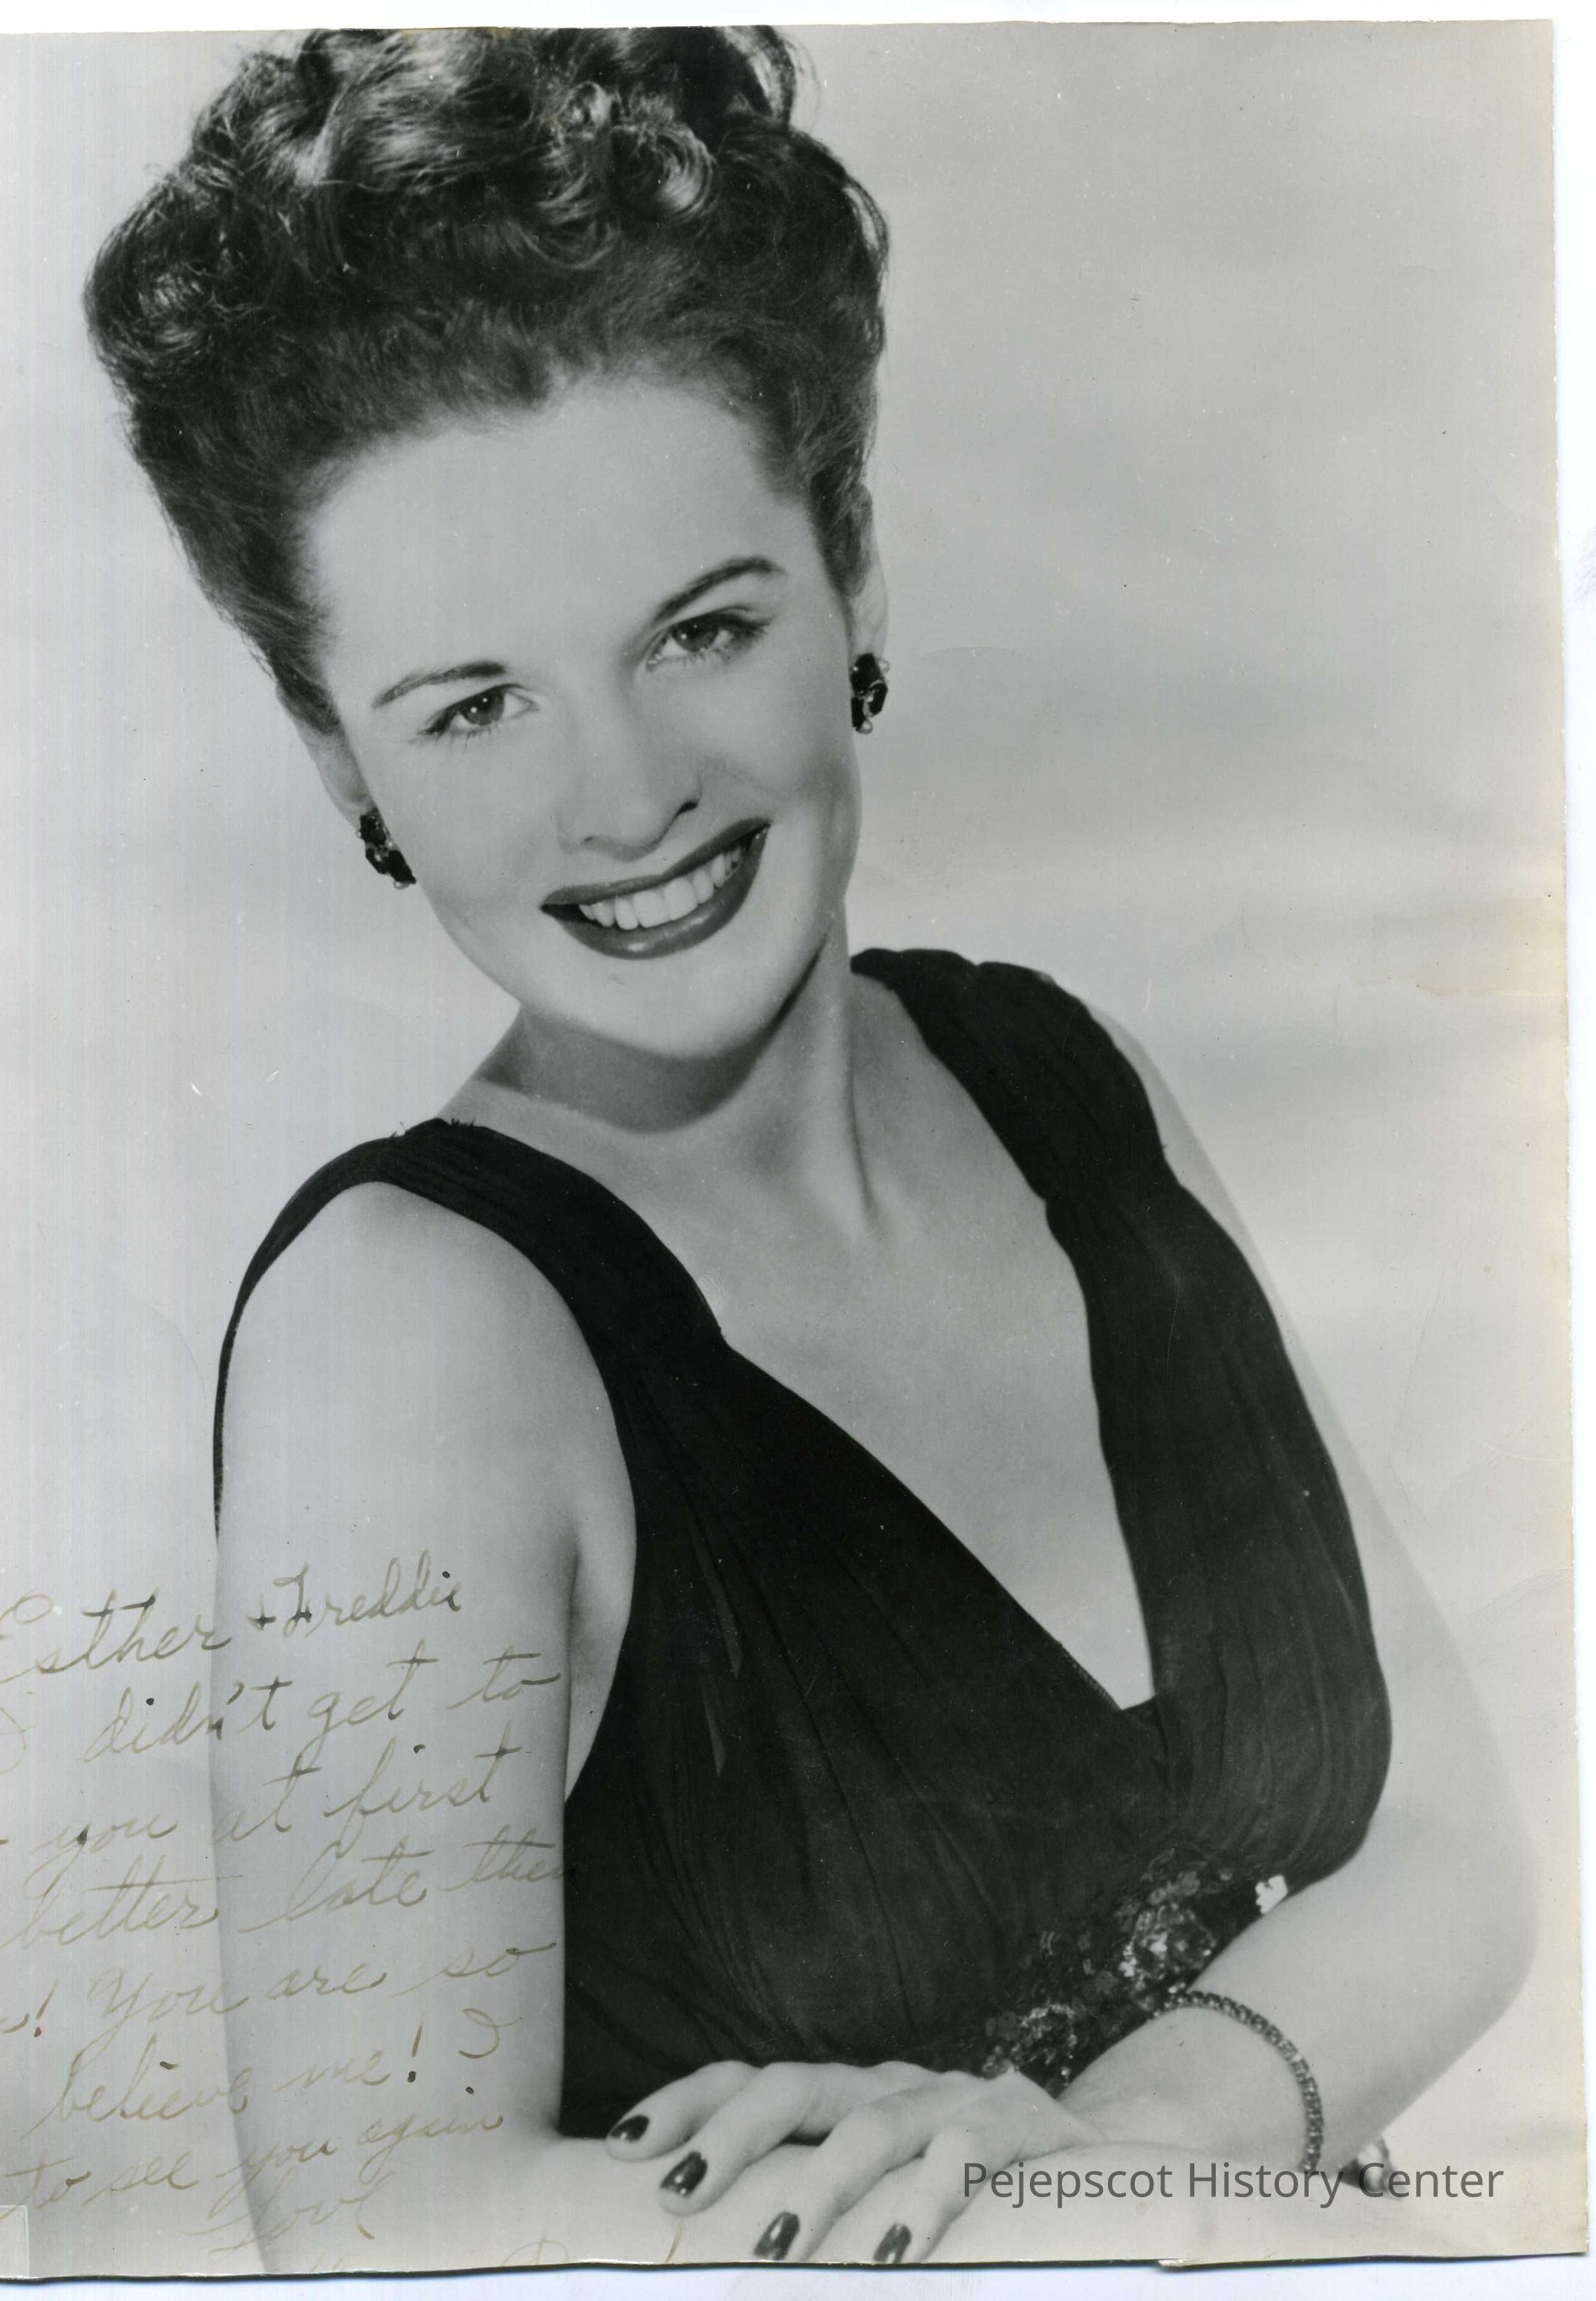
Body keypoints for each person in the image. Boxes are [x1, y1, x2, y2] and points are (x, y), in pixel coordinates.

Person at [85, 27, 1534, 2272]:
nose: (624, 794)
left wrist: (1115, 2157)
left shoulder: (1066, 1081)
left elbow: (1455, 1860)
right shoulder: (410, 1334)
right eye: (476, 704)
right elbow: (386, 2228)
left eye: (700, 630)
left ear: (848, 567)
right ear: (340, 759)